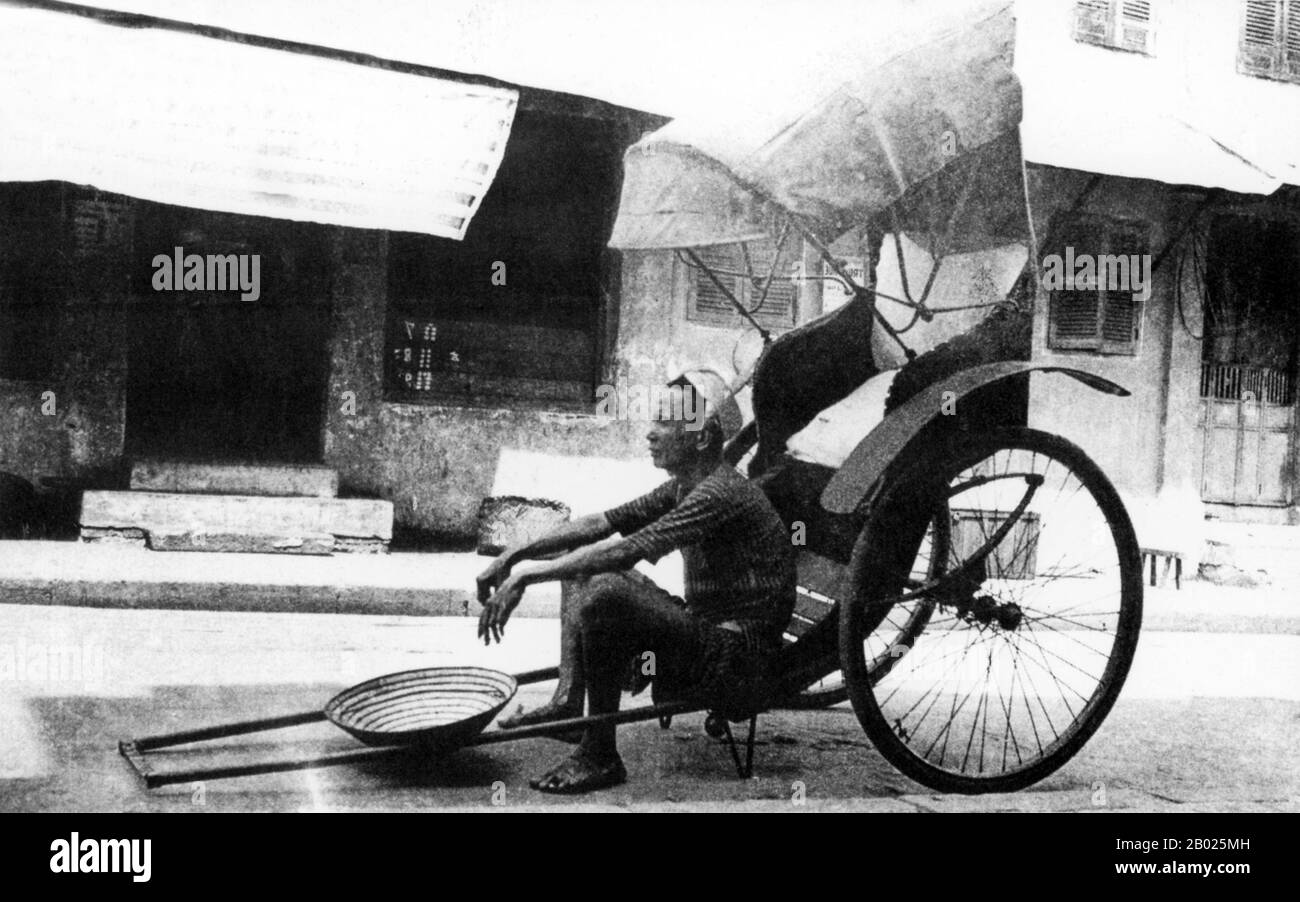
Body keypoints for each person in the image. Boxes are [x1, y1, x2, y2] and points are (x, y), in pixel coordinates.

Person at [475, 370, 796, 793]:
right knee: (585, 566)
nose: (650, 433)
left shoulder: (719, 493)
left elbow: (626, 550)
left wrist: (528, 576)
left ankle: (600, 753)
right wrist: (513, 556)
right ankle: (568, 702)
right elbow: (601, 523)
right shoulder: (686, 486)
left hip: (735, 659)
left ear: (700, 438)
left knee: (607, 592)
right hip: (706, 635)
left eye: (664, 422)